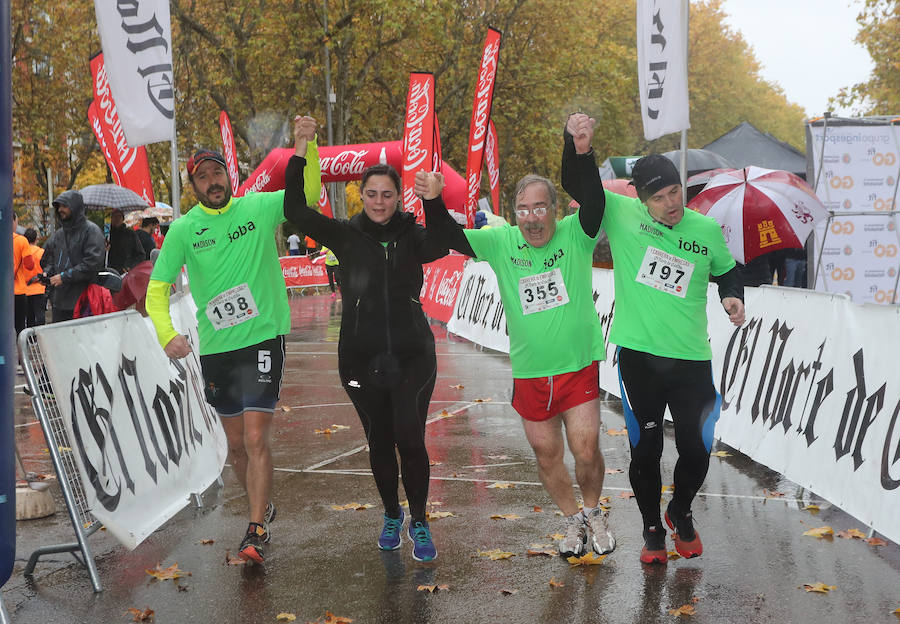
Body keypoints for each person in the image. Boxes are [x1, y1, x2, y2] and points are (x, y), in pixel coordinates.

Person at [561, 113, 745, 565]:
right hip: (638, 358)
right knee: (645, 449)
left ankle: (678, 510)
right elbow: (576, 184)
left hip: (690, 360)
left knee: (697, 449)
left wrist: (732, 296)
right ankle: (650, 531)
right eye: (659, 197)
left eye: (675, 192)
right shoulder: (622, 214)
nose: (670, 204)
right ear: (641, 200)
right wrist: (578, 146)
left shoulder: (703, 230)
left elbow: (726, 270)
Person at [420, 137, 617, 560]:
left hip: (577, 364)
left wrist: (580, 151)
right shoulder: (502, 242)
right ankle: (572, 521)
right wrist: (434, 200)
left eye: (540, 207)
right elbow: (447, 236)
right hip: (530, 371)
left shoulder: (575, 233)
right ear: (514, 214)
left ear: (553, 209)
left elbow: (596, 202)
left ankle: (594, 510)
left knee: (585, 448)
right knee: (546, 455)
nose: (532, 218)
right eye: (524, 210)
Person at [145, 120, 321, 565]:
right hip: (218, 348)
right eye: (202, 178)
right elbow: (156, 289)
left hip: (263, 338)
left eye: (217, 173)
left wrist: (308, 144)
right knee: (237, 444)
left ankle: (256, 527)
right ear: (193, 187)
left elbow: (308, 197)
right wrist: (166, 334)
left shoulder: (259, 208)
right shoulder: (184, 230)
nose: (212, 182)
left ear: (229, 175)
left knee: (258, 437)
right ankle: (262, 507)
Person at [283, 120, 449, 562]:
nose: (379, 202)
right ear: (362, 195)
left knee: (410, 437)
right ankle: (391, 513)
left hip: (413, 353)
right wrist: (300, 149)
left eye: (388, 194)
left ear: (399, 197)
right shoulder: (345, 232)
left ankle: (419, 520)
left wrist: (434, 200)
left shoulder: (413, 234)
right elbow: (296, 210)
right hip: (359, 359)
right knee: (378, 439)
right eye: (372, 194)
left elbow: (443, 243)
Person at [41, 190, 106, 323]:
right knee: (60, 341)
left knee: (83, 341)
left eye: (64, 206)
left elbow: (92, 263)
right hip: (59, 302)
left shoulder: (91, 231)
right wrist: (47, 272)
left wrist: (64, 277)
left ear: (75, 207)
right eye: (59, 206)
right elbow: (50, 259)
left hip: (83, 301)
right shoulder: (59, 235)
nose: (60, 210)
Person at [12, 212, 35, 338]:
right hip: (18, 292)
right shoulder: (21, 241)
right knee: (20, 327)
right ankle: (21, 357)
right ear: (13, 221)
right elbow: (29, 265)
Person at [107, 208, 145, 272]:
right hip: (109, 270)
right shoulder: (107, 234)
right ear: (111, 218)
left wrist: (130, 266)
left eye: (119, 216)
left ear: (123, 219)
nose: (117, 219)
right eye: (115, 216)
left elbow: (141, 254)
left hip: (126, 272)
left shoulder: (130, 233)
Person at [22, 228, 46, 327]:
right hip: (40, 288)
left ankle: (30, 339)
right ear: (36, 239)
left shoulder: (23, 253)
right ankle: (40, 338)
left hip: (25, 289)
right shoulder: (42, 252)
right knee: (40, 316)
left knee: (29, 319)